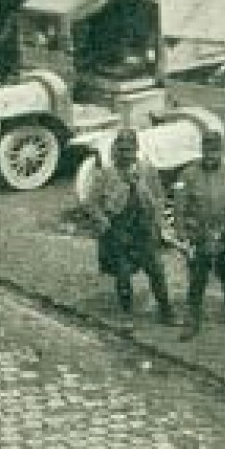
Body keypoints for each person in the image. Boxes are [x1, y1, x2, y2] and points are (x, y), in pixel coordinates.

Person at [81, 129, 176, 328]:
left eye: (130, 150)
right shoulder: (106, 173)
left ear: (136, 149)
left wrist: (159, 225)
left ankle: (166, 311)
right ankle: (127, 314)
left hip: (143, 229)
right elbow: (91, 203)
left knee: (156, 269)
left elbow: (159, 199)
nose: (126, 154)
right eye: (122, 150)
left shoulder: (147, 170)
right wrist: (103, 223)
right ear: (115, 150)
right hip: (118, 230)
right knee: (122, 273)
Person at [171, 132, 225, 341]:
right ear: (202, 150)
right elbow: (178, 208)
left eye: (215, 151)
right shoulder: (188, 174)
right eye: (207, 150)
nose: (211, 155)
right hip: (199, 236)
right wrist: (182, 235)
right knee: (197, 281)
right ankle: (192, 321)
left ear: (221, 151)